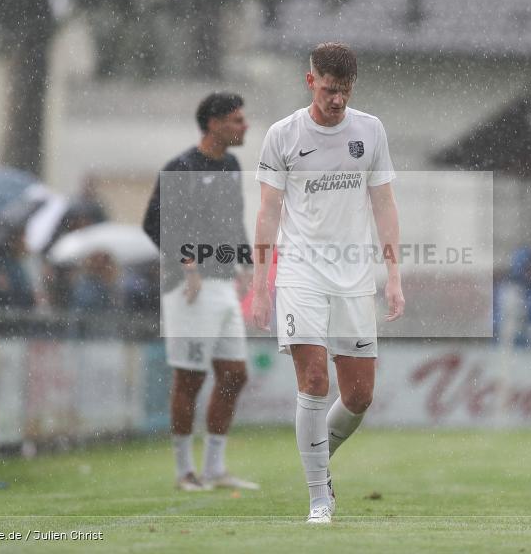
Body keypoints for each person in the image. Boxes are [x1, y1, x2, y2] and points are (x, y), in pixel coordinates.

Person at [251, 43, 404, 524]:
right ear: (310, 81)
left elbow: (384, 205)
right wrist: (260, 285)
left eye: (345, 91)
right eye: (329, 89)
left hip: (353, 276)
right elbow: (268, 212)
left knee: (359, 396)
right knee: (314, 380)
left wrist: (394, 275)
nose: (336, 99)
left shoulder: (370, 130)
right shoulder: (283, 135)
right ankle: (319, 495)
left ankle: (315, 457)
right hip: (300, 272)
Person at [142, 92, 259, 492]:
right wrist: (186, 262)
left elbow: (233, 220)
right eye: (237, 120)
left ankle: (214, 468)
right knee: (190, 377)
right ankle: (184, 471)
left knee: (235, 374)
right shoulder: (182, 167)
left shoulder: (231, 165)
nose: (244, 126)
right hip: (188, 288)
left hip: (223, 284)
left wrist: (246, 263)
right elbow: (153, 223)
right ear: (213, 123)